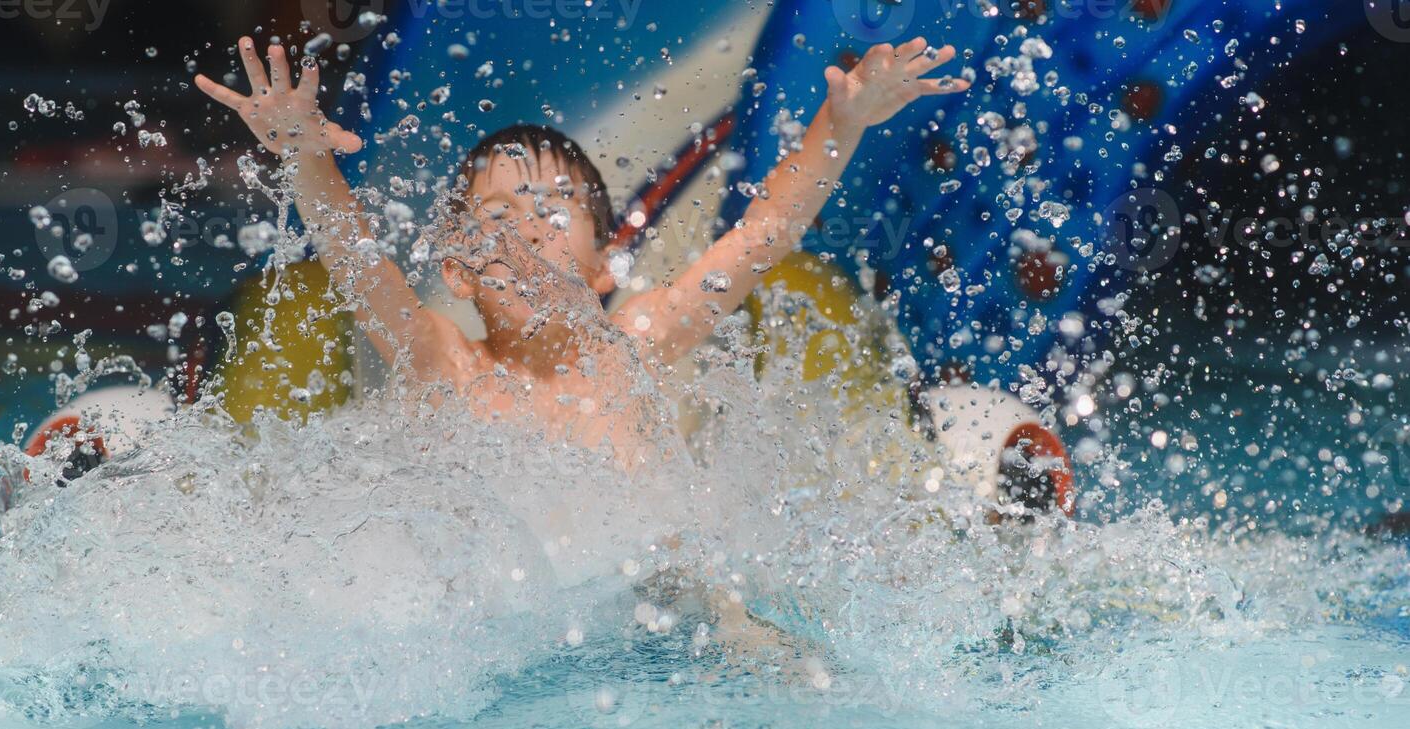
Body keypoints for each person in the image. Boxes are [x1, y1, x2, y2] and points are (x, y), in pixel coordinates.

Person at [194, 35, 970, 469]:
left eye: (556, 209)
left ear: (604, 267)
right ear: (458, 271)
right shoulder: (443, 364)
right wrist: (304, 156)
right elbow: (355, 262)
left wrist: (842, 126)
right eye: (499, 215)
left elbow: (761, 236)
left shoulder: (639, 345)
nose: (530, 230)